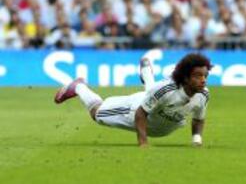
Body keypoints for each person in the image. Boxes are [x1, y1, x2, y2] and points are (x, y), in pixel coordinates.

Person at [54, 53, 212, 147]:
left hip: (163, 128)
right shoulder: (167, 90)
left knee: (153, 93)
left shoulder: (203, 95)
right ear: (185, 77)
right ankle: (79, 87)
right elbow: (141, 113)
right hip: (136, 112)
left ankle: (146, 72)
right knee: (97, 114)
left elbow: (198, 119)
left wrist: (196, 140)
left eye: (205, 76)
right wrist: (143, 142)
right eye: (198, 76)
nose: (203, 80)